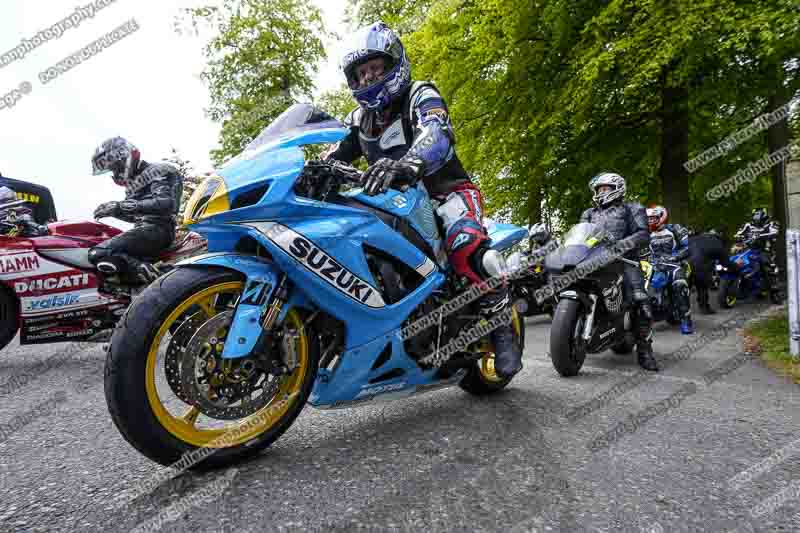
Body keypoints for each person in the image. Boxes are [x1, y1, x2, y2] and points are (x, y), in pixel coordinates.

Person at [322, 21, 522, 378]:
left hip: (446, 192)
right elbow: (334, 154)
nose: (368, 78)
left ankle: (502, 323)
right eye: (360, 74)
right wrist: (314, 170)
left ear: (394, 64)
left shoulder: (420, 94)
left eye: (374, 68)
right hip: (392, 202)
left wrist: (410, 162)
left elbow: (436, 130)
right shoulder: (358, 119)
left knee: (465, 242)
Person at [579, 172, 658, 371]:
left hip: (625, 261)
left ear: (618, 189)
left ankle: (645, 351)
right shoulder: (589, 213)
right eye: (599, 189)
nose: (601, 192)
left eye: (605, 189)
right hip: (592, 261)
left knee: (641, 300)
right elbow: (580, 235)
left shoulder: (632, 208)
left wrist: (619, 246)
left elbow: (642, 234)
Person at [89, 137, 183, 285]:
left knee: (98, 252)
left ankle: (157, 277)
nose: (115, 172)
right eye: (112, 169)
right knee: (108, 259)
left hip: (159, 229)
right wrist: (114, 211)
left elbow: (166, 203)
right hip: (146, 231)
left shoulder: (159, 170)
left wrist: (120, 206)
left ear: (125, 156)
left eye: (115, 166)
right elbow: (137, 215)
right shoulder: (133, 184)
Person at [646, 205, 693, 334]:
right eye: (648, 218)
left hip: (674, 264)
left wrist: (675, 257)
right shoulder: (645, 232)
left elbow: (688, 247)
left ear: (661, 217)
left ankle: (686, 321)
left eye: (653, 218)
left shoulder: (675, 229)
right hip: (653, 265)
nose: (650, 221)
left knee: (680, 285)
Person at [733, 208, 780, 295]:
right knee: (737, 260)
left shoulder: (772, 223)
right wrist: (738, 236)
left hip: (765, 249)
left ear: (764, 216)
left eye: (758, 215)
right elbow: (738, 233)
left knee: (768, 264)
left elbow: (775, 232)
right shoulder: (747, 225)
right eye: (755, 215)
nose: (756, 217)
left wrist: (760, 235)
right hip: (749, 249)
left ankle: (774, 285)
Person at [688, 228, 732, 314]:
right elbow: (724, 260)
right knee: (702, 286)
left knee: (685, 287)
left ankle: (678, 310)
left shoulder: (697, 237)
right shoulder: (717, 242)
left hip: (686, 262)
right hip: (700, 265)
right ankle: (704, 307)